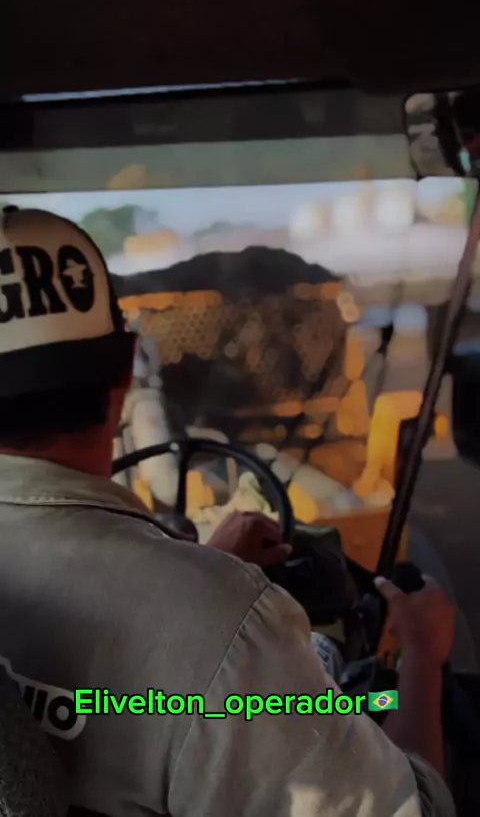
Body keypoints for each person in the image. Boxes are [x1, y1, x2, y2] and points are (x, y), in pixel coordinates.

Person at [0, 206, 455, 817]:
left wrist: (197, 580)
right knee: (370, 695)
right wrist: (423, 656)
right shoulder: (224, 623)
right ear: (126, 372)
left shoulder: (205, 617)